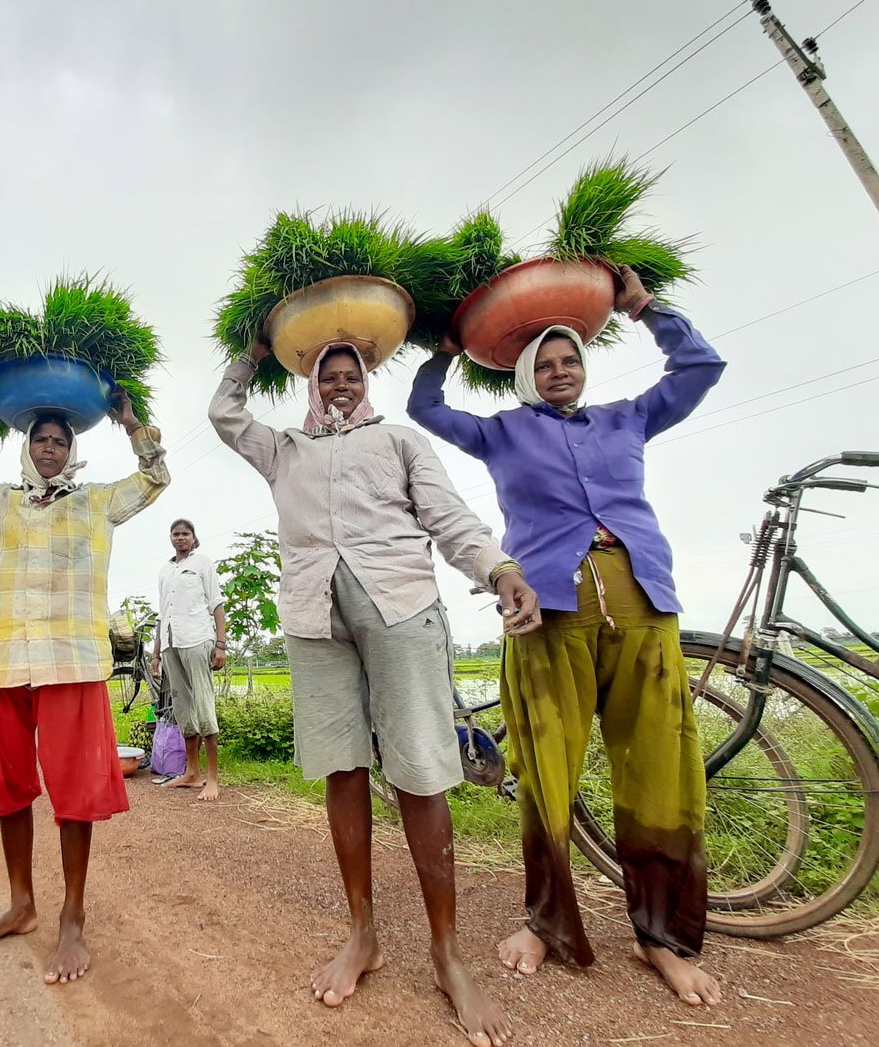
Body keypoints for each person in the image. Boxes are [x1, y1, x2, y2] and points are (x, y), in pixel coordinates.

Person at [407, 266, 726, 1007]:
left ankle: (661, 938)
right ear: (524, 374)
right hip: (549, 610)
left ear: (584, 367)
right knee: (548, 770)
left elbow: (702, 367)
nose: (558, 371)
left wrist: (645, 307)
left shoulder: (628, 418)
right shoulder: (500, 433)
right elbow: (427, 406)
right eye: (544, 364)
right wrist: (447, 349)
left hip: (642, 598)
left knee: (659, 768)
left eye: (570, 360)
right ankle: (547, 925)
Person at [211, 339, 538, 1047]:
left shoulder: (399, 440)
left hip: (401, 605)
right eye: (324, 376)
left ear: (365, 382)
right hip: (312, 615)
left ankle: (447, 953)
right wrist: (247, 357)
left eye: (348, 376)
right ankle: (363, 935)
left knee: (421, 770)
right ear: (307, 383)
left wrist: (497, 567)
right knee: (341, 765)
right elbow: (223, 414)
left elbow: (450, 518)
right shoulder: (285, 450)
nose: (336, 386)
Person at [0, 389, 168, 985]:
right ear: (25, 448)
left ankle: (72, 915)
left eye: (59, 440)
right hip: (2, 662)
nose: (49, 448)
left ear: (71, 448)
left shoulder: (96, 503)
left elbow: (155, 478)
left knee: (75, 790)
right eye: (40, 440)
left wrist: (134, 425)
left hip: (72, 660)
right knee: (7, 787)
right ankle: (20, 903)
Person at [150, 518, 226, 800]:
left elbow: (216, 603)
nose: (180, 538)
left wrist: (221, 644)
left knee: (203, 703)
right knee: (182, 706)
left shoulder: (203, 563)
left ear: (194, 538)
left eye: (185, 534)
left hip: (197, 638)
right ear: (170, 538)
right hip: (171, 643)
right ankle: (192, 773)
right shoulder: (165, 571)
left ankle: (213, 778)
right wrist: (156, 654)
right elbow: (162, 614)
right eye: (176, 534)